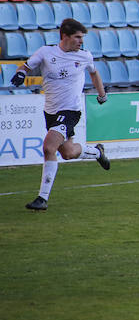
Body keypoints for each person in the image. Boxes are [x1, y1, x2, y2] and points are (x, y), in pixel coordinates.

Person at [10, 18, 111, 211]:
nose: (81, 41)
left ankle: (42, 198)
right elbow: (26, 66)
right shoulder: (46, 52)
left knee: (49, 147)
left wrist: (102, 94)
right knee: (68, 152)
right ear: (65, 36)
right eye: (77, 37)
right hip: (51, 111)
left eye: (82, 38)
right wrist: (21, 73)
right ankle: (97, 152)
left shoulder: (84, 56)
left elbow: (94, 73)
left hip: (71, 111)